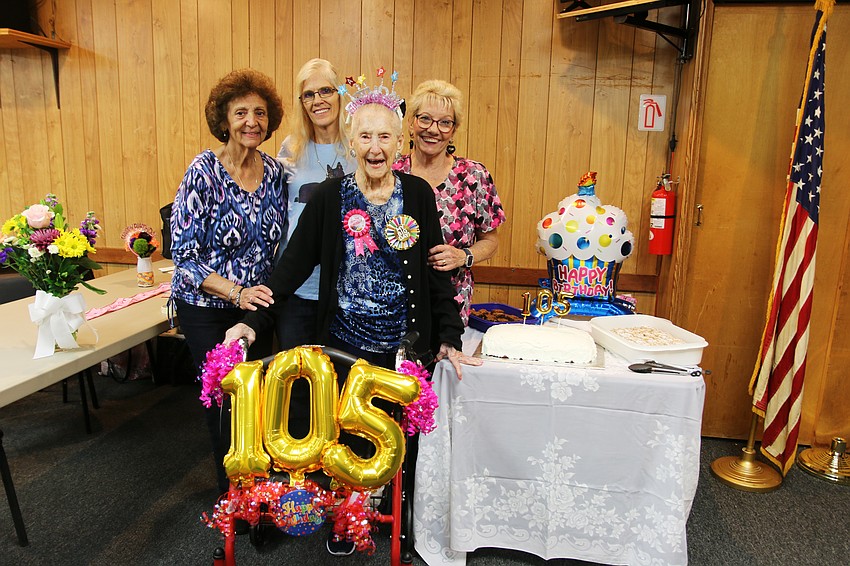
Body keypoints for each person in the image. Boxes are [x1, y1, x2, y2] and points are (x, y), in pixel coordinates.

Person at [225, 76, 480, 555]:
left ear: (399, 142)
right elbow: (291, 268)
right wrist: (252, 320)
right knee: (342, 435)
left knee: (392, 436)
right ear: (352, 141)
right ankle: (347, 516)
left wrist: (449, 335)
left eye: (384, 136)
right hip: (343, 340)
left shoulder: (418, 195)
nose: (375, 147)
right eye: (365, 136)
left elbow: (434, 273)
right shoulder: (330, 196)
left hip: (403, 343)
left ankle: (385, 509)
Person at [170, 68, 286, 494]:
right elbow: (184, 257)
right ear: (224, 119)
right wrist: (236, 292)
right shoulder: (203, 171)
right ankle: (233, 497)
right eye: (241, 113)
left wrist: (257, 298)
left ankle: (259, 489)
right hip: (207, 308)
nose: (251, 121)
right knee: (225, 403)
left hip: (255, 309)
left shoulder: (275, 173)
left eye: (260, 113)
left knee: (257, 399)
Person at [393, 79, 506, 327]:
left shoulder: (474, 176)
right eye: (425, 119)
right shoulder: (391, 173)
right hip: (394, 307)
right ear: (411, 123)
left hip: (450, 308)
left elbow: (491, 240)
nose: (433, 130)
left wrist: (463, 256)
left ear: (454, 130)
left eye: (445, 122)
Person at [276, 58, 356, 350]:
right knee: (296, 371)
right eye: (308, 94)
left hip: (345, 288)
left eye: (326, 91)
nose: (317, 100)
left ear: (340, 94)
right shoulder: (291, 148)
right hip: (297, 289)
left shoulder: (358, 147)